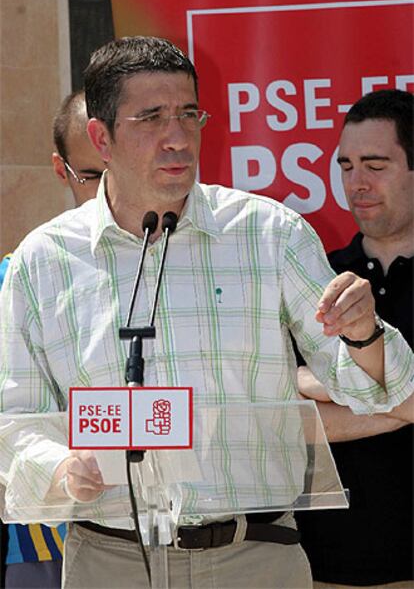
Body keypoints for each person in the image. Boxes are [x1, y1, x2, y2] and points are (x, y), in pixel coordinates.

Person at [0, 38, 412, 589]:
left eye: (189, 114)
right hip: (108, 558)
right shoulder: (42, 261)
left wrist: (364, 336)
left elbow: (375, 392)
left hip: (256, 556)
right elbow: (15, 416)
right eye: (151, 118)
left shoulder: (272, 234)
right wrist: (58, 465)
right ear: (101, 138)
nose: (177, 137)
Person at [296, 89, 413, 588]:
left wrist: (324, 383)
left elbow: (303, 393)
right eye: (346, 166)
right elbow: (287, 417)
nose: (356, 183)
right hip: (322, 568)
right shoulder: (313, 276)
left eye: (375, 164)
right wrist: (402, 400)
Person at [0, 90, 105, 589]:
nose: (110, 191)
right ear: (61, 170)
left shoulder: (188, 264)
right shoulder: (18, 274)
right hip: (45, 540)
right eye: (93, 176)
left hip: (169, 532)